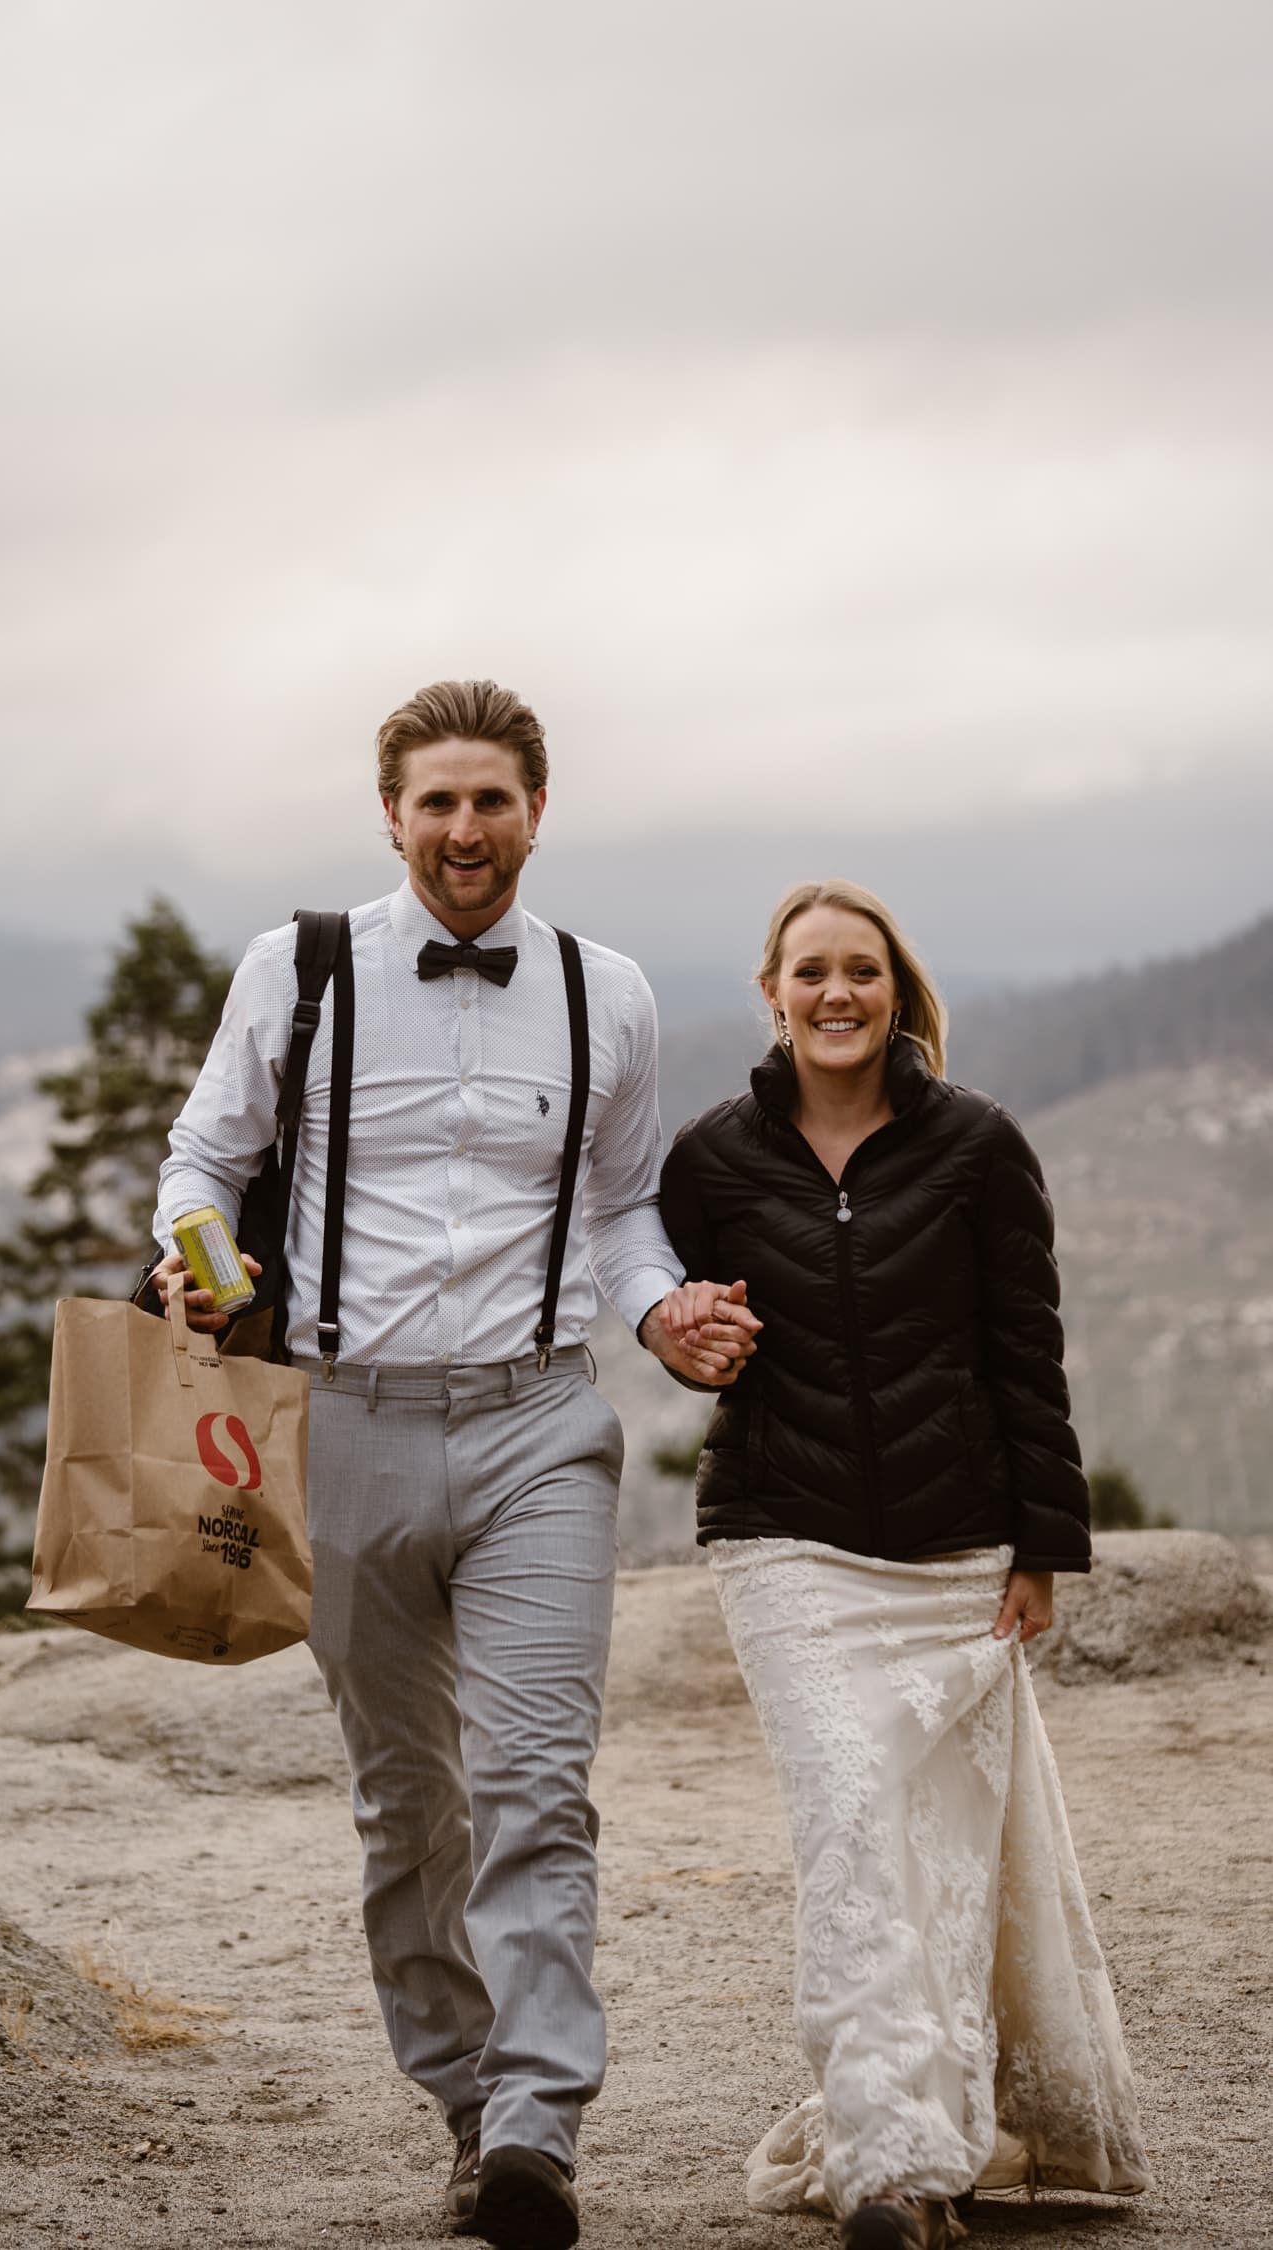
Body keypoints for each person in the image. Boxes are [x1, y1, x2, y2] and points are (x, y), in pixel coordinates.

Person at [145, 680, 760, 2250]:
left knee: (535, 1778)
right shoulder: (300, 968)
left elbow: (623, 1212)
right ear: (392, 815)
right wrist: (197, 1262)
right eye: (437, 802)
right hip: (341, 1422)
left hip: (541, 1425)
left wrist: (661, 1304)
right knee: (405, 1797)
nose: (465, 830)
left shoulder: (603, 989)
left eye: (493, 800)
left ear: (536, 812)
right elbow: (205, 1163)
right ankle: (466, 2093)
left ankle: (539, 2127)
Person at [656, 879, 1151, 2250]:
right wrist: (670, 1326)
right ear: (771, 990)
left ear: (895, 988)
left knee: (939, 1861)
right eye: (809, 970)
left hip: (956, 1553)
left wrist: (1044, 1544)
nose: (835, 993)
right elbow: (647, 1294)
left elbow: (1025, 1355)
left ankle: (935, 2148)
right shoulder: (711, 1158)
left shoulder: (980, 1147)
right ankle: (888, 2163)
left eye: (859, 970)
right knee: (854, 1841)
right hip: (785, 1542)